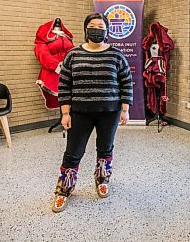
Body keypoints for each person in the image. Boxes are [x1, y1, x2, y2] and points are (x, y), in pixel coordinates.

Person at [52, 13, 133, 213]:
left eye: (100, 26)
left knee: (105, 149)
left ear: (106, 31)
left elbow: (126, 83)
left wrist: (125, 110)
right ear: (86, 29)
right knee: (73, 153)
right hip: (80, 113)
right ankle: (64, 189)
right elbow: (64, 85)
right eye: (92, 25)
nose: (97, 29)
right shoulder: (73, 54)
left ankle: (102, 179)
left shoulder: (116, 55)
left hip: (110, 112)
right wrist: (65, 113)